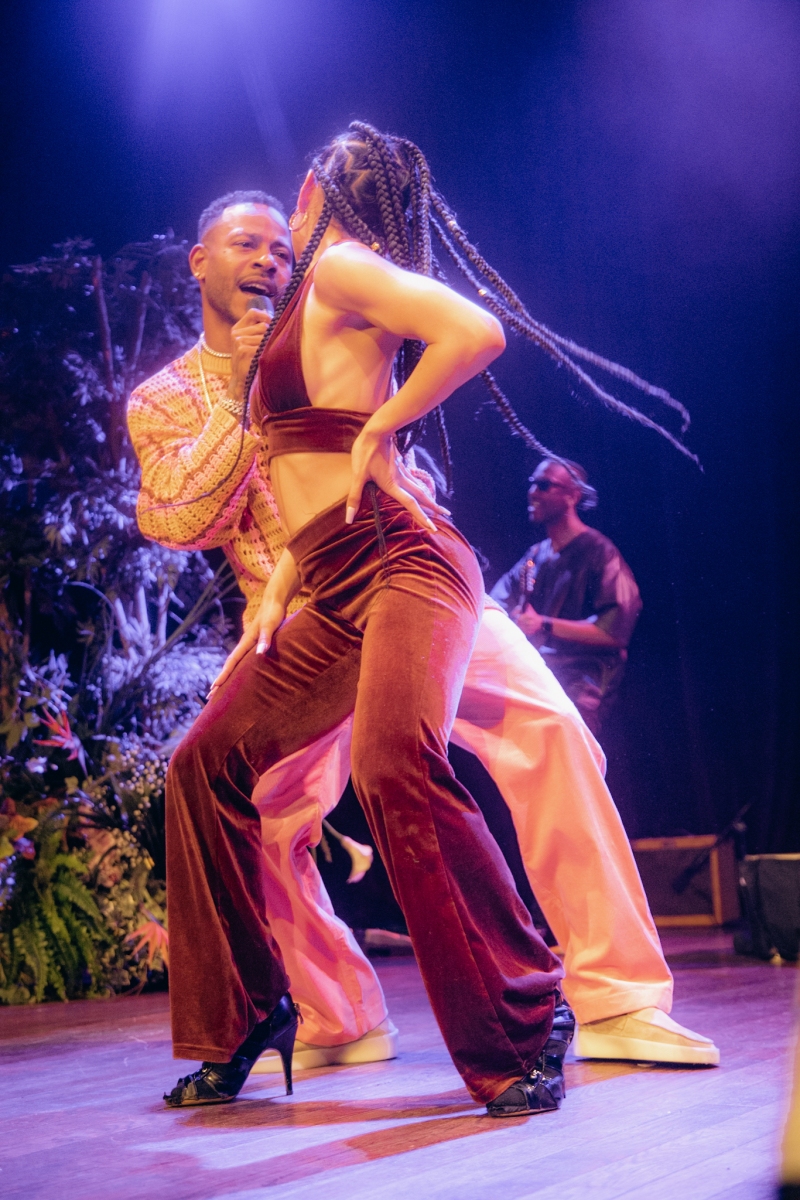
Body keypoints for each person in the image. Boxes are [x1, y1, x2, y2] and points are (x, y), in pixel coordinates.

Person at [128, 181, 718, 1088]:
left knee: (550, 730)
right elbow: (179, 517)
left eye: (280, 247)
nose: (270, 261)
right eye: (247, 245)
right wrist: (245, 399)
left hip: (408, 571)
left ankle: (617, 997)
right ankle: (338, 1013)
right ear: (200, 261)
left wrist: (388, 448)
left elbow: (404, 427)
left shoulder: (326, 310)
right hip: (299, 619)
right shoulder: (163, 398)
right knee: (261, 812)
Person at [145, 135, 572, 1119]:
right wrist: (283, 581)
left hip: (403, 565)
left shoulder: (340, 267)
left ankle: (525, 1014)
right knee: (203, 765)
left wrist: (384, 428)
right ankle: (247, 1015)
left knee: (392, 764)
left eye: (285, 220)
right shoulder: (315, 297)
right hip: (330, 586)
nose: (275, 244)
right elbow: (306, 460)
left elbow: (475, 332)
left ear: (310, 194)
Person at [492, 459, 641, 735]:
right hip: (537, 686)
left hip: (578, 694)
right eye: (532, 484)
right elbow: (493, 607)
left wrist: (544, 624)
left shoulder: (600, 552)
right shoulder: (535, 556)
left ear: (573, 496)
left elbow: (615, 629)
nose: (533, 492)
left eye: (544, 485)